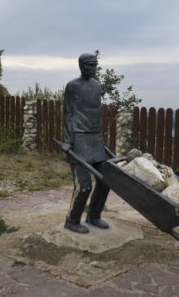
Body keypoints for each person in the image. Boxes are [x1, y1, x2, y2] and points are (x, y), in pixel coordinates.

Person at [62, 53, 111, 234]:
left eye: (95, 65)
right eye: (89, 65)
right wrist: (68, 140)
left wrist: (100, 137)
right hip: (79, 138)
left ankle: (94, 216)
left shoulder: (97, 86)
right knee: (84, 185)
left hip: (95, 138)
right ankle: (72, 220)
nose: (93, 69)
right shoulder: (72, 86)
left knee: (106, 181)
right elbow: (68, 113)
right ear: (81, 66)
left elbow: (95, 112)